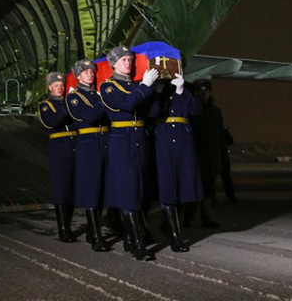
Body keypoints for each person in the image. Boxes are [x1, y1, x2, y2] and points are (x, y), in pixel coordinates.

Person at [99, 46, 159, 261]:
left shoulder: (136, 86)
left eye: (130, 59)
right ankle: (137, 243)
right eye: (123, 59)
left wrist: (152, 90)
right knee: (128, 191)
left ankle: (130, 237)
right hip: (122, 140)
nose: (128, 63)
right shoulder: (107, 87)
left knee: (142, 190)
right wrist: (144, 87)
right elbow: (126, 104)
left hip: (139, 139)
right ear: (113, 64)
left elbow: (152, 112)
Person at [154, 71, 203, 251]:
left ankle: (169, 224)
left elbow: (197, 110)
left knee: (185, 185)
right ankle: (175, 235)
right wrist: (156, 92)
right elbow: (151, 113)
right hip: (163, 139)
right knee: (167, 185)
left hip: (183, 139)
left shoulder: (187, 88)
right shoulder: (155, 88)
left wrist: (182, 90)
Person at [66, 59, 110, 252]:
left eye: (91, 71)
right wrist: (105, 100)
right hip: (88, 144)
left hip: (105, 141)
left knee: (102, 189)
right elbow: (90, 116)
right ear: (77, 76)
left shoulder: (97, 94)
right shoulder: (74, 98)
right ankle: (96, 237)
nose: (90, 74)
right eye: (85, 72)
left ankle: (92, 231)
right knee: (92, 189)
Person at [38, 72, 77, 242]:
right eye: (56, 85)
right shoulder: (46, 105)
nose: (60, 87)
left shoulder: (69, 103)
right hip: (59, 149)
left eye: (61, 85)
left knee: (73, 188)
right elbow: (51, 122)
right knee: (61, 188)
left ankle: (68, 225)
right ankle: (64, 228)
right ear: (50, 87)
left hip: (74, 146)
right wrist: (68, 103)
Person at [185, 78, 227, 228]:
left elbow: (220, 135)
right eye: (200, 90)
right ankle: (187, 216)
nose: (203, 93)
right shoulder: (191, 109)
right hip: (196, 155)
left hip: (211, 156)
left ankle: (207, 217)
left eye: (206, 89)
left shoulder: (215, 111)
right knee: (192, 188)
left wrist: (221, 156)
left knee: (209, 189)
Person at [221, 128, 237, 202]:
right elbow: (230, 141)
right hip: (222, 157)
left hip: (217, 157)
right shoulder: (222, 131)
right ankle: (231, 196)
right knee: (226, 178)